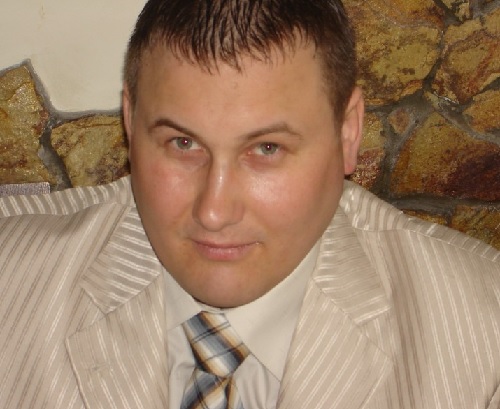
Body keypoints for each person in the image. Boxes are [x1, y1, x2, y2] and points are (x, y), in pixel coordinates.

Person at [1, 0, 499, 408]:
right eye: (182, 143)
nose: (214, 212)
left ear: (348, 132)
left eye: (266, 149)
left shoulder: (486, 340)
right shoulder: (10, 278)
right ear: (131, 121)